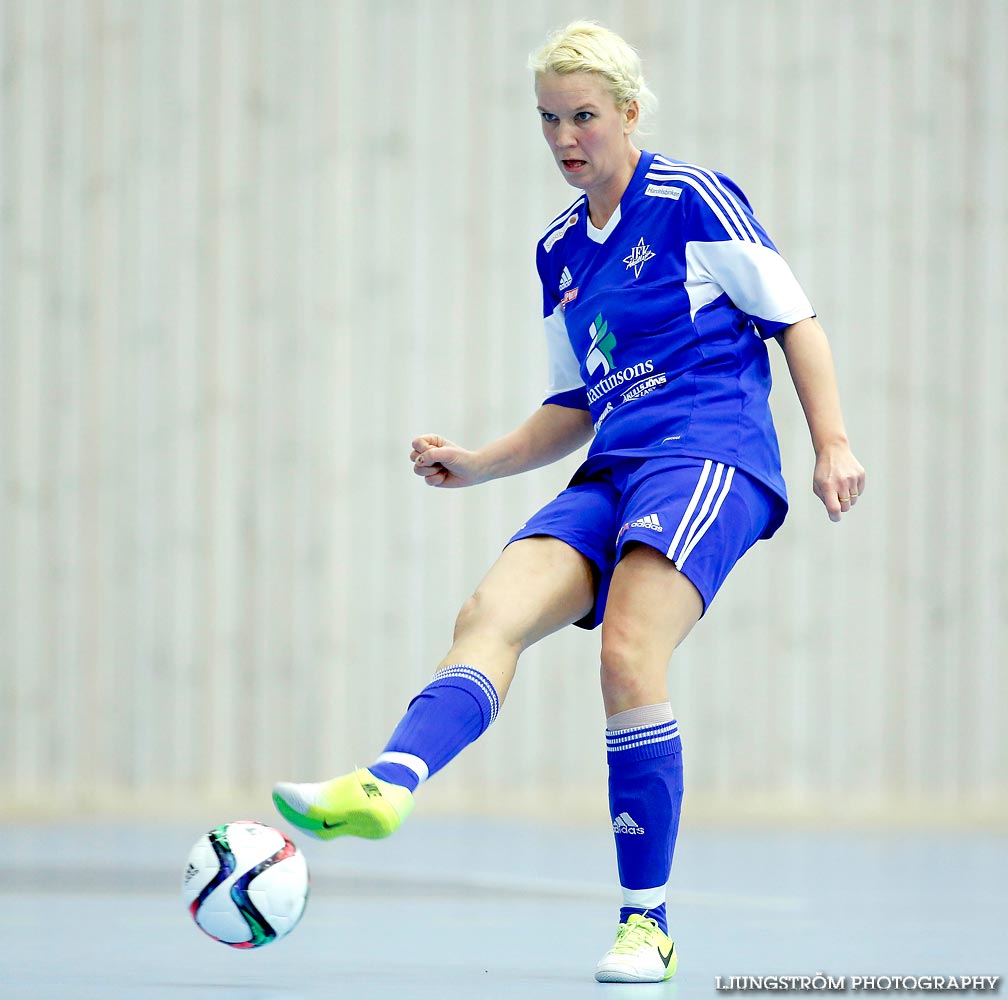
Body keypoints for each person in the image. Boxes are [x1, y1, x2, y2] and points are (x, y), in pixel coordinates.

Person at [273, 20, 865, 984]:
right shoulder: (558, 250)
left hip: (710, 451)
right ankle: (388, 782)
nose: (564, 138)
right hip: (616, 464)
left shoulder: (691, 201)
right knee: (489, 611)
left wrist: (832, 443)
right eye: (549, 119)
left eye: (584, 116)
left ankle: (648, 922)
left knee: (628, 649)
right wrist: (477, 463)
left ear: (629, 112)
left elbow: (795, 320)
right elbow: (572, 407)